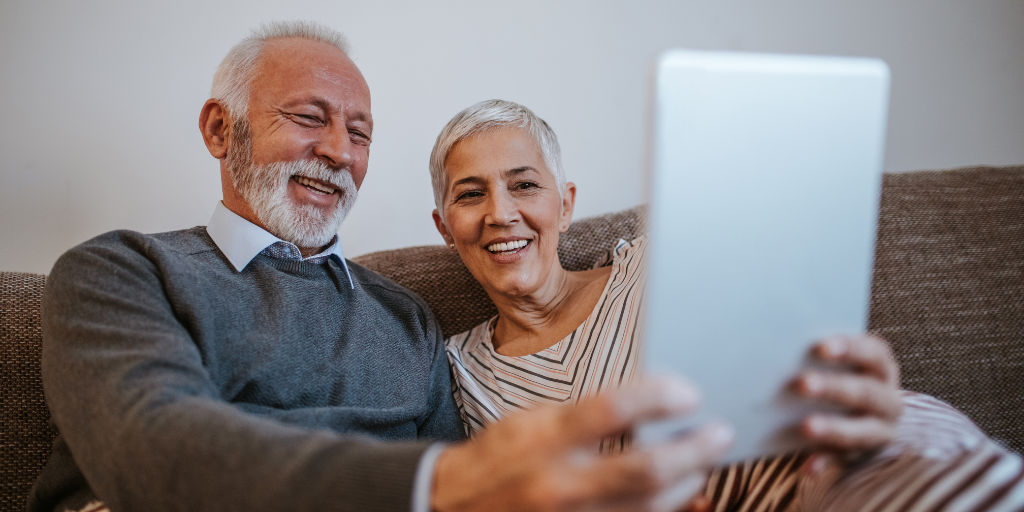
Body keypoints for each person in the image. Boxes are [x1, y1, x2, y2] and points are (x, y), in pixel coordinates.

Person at [32, 22, 734, 512]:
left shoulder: (405, 319)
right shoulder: (121, 271)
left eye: (359, 132)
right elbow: (153, 451)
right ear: (222, 129)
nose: (339, 151)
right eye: (310, 117)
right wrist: (443, 483)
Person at [430, 99, 1024, 511]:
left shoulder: (661, 258)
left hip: (828, 460)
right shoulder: (456, 370)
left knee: (912, 458)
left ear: (565, 204)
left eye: (524, 185)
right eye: (471, 194)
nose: (501, 213)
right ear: (444, 228)